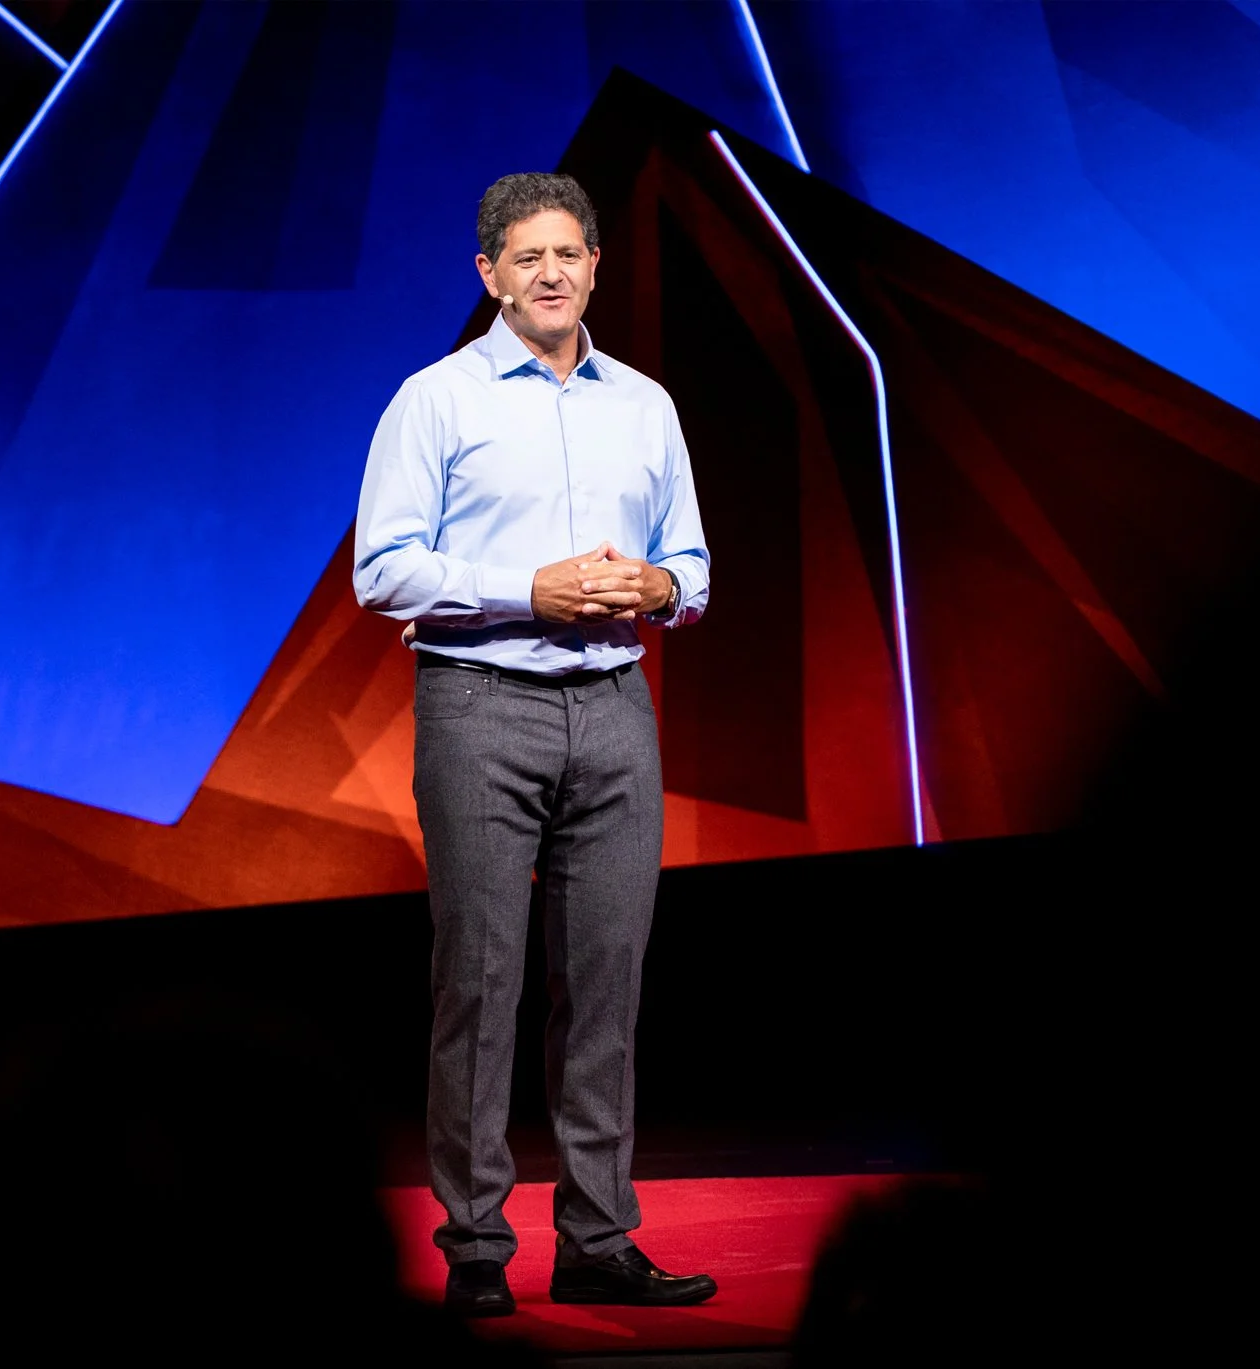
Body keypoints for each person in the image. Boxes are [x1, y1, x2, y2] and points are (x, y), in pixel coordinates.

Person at [354, 173, 715, 1316]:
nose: (549, 272)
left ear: (595, 265)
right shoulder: (435, 401)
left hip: (614, 707)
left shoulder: (643, 406)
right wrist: (529, 592)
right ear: (488, 275)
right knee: (480, 980)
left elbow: (692, 571)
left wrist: (658, 586)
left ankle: (598, 1237)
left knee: (604, 983)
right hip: (478, 701)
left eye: (568, 253)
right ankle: (472, 1246)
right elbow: (383, 568)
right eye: (525, 257)